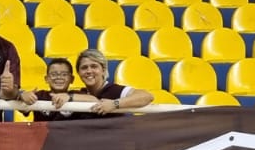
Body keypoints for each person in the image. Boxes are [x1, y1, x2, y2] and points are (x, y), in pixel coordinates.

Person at [20, 48, 155, 120]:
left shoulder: (114, 90)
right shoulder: (82, 93)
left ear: (103, 70)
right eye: (84, 68)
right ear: (78, 73)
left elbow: (147, 96)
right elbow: (22, 106)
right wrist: (22, 94)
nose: (89, 71)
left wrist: (114, 104)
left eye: (94, 66)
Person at [29, 57, 77, 123]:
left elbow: (94, 99)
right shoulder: (39, 95)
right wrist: (23, 96)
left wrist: (70, 97)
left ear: (72, 79)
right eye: (54, 74)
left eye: (64, 74)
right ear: (46, 79)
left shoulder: (77, 95)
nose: (59, 77)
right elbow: (23, 109)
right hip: (44, 132)